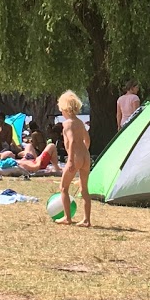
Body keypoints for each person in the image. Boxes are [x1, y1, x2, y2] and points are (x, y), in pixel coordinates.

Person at [58, 90, 91, 227]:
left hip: (75, 157)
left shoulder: (67, 124)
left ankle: (67, 217)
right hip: (85, 156)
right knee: (84, 189)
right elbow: (87, 140)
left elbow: (70, 141)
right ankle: (87, 220)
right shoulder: (80, 122)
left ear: (65, 108)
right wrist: (85, 152)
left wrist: (71, 160)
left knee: (63, 188)